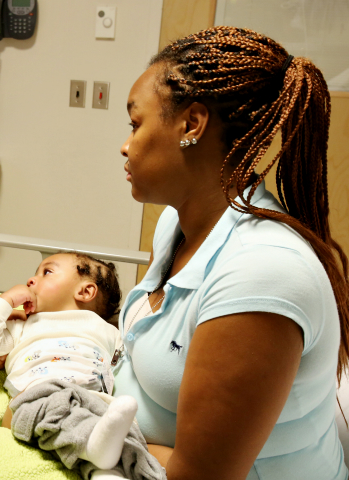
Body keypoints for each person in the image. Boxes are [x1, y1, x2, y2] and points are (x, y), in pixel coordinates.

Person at [110, 26, 349, 480]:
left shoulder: (263, 273)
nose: (126, 145)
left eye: (135, 124)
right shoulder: (178, 223)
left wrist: (92, 433)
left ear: (191, 125)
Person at [0, 253, 165, 480]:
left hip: (91, 398)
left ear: (85, 292)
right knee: (51, 412)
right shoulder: (22, 323)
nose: (31, 279)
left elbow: (128, 363)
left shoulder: (107, 330)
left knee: (125, 432)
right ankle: (97, 454)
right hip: (38, 395)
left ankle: (107, 471)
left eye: (46, 272)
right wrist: (6, 301)